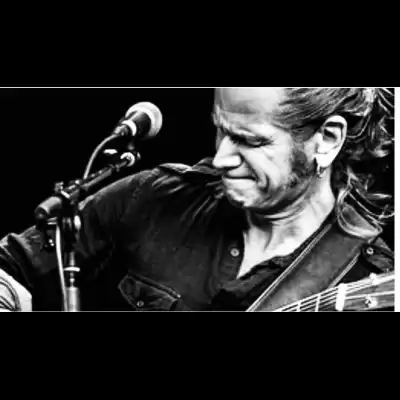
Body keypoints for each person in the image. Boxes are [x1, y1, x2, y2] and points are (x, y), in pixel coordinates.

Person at [0, 88, 395, 312]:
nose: (221, 159)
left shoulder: (367, 278)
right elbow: (10, 267)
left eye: (249, 141)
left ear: (327, 139)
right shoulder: (156, 196)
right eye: (221, 131)